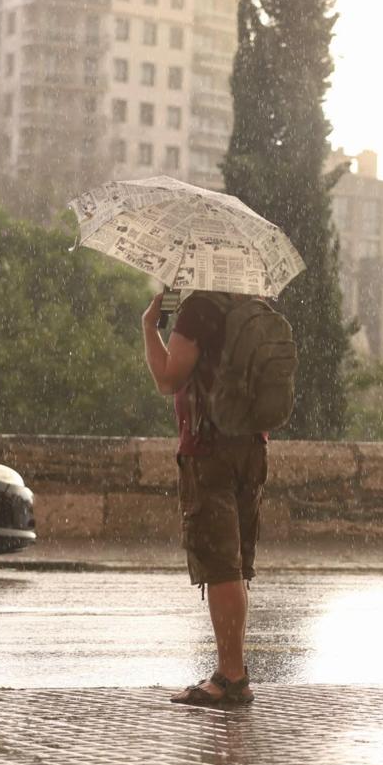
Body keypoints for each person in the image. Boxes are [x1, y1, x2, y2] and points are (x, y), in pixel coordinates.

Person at [141, 290, 267, 706]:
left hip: (208, 448)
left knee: (220, 565)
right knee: (236, 565)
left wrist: (149, 328)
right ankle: (232, 672)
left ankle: (231, 678)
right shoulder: (255, 307)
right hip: (252, 448)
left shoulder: (200, 309)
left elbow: (168, 378)